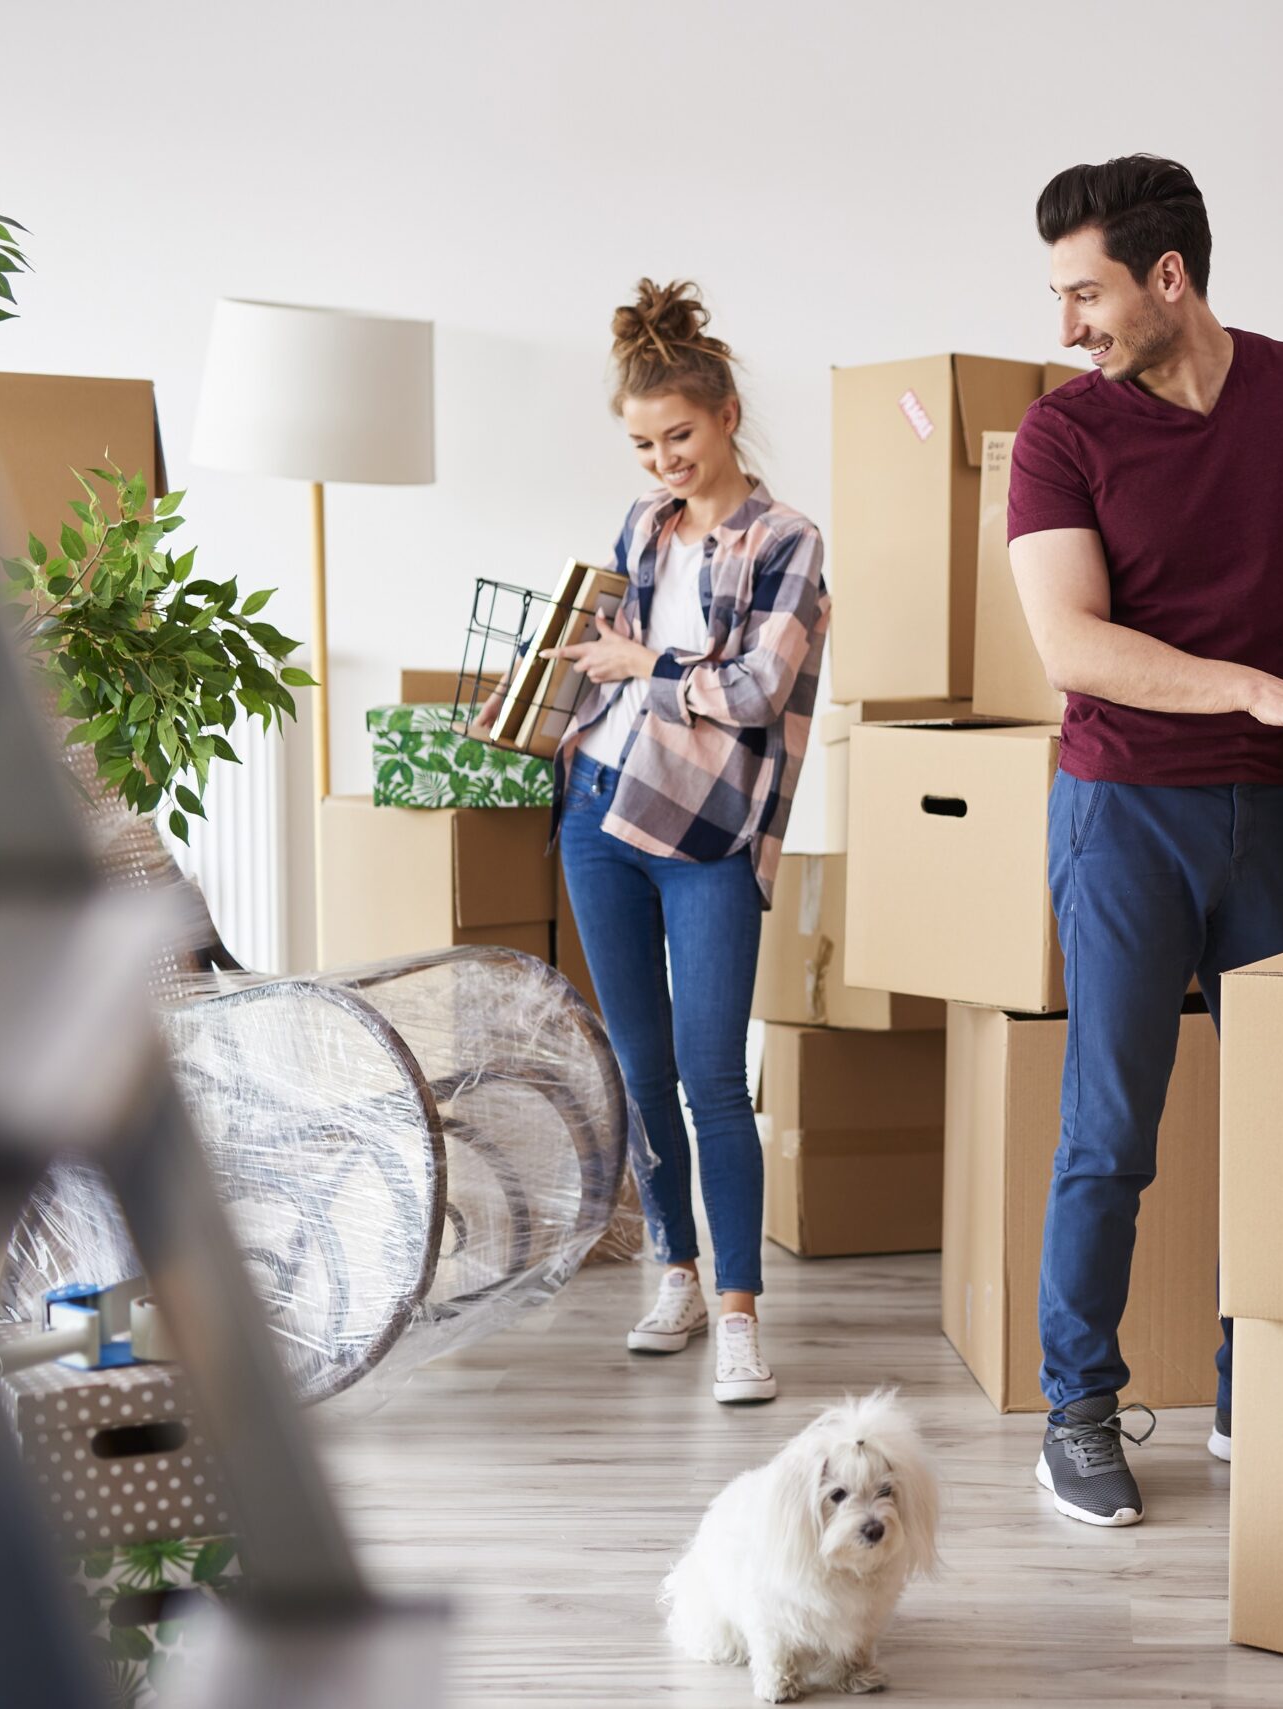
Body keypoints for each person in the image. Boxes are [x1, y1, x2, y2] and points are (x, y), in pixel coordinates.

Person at [1004, 158, 1283, 1525]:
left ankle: (1260, 1394)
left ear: (1168, 278)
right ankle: (1077, 1409)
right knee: (1110, 1131)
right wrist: (1247, 682)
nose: (1070, 321)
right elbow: (1071, 642)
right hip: (1125, 809)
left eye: (1087, 291)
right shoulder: (1059, 433)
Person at [548, 278, 828, 1402]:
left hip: (707, 832)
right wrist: (542, 704)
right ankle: (674, 1267)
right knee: (639, 1065)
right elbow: (605, 655)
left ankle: (740, 1314)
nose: (662, 459)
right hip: (599, 816)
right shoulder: (641, 528)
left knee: (716, 1076)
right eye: (642, 442)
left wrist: (647, 671)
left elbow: (759, 688)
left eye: (678, 435)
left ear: (723, 417)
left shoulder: (787, 540)